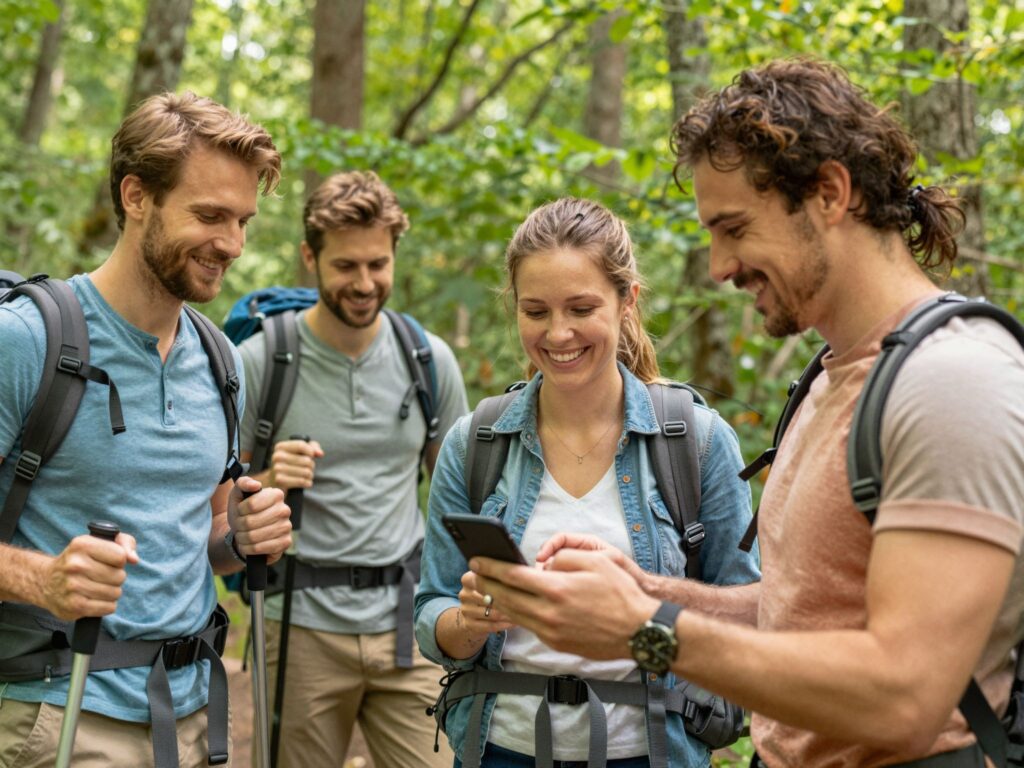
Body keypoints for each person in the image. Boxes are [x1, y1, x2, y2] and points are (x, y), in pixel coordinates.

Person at [465, 59, 1024, 767]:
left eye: (733, 228)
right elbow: (802, 611)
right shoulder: (831, 376)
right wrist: (646, 588)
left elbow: (906, 696)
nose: (719, 265)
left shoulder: (952, 381)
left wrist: (646, 626)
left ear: (829, 192)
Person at [414, 197, 761, 768]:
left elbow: (747, 611)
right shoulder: (474, 442)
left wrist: (642, 610)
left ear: (628, 302)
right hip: (499, 751)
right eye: (536, 311)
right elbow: (433, 610)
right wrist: (470, 623)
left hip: (652, 752)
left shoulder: (695, 443)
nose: (558, 333)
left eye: (581, 308)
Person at [0, 92, 291, 767]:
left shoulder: (222, 361)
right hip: (60, 711)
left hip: (189, 716)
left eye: (244, 220)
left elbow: (209, 538)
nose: (233, 244)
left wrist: (241, 538)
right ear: (137, 197)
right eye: (210, 215)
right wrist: (44, 580)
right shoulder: (25, 343)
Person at [237, 170, 469, 767]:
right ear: (310, 258)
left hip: (410, 627)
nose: (365, 284)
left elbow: (459, 498)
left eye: (377, 264)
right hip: (299, 627)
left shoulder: (429, 361)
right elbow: (210, 500)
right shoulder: (262, 360)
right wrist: (266, 481)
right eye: (345, 267)